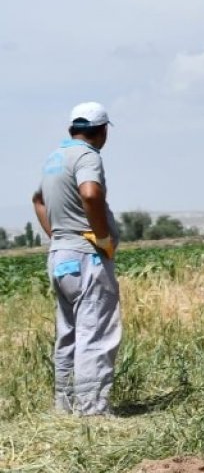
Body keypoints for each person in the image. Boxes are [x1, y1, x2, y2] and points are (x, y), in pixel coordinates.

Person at [32, 102, 121, 416]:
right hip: (87, 258)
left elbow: (39, 200)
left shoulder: (54, 157)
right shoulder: (87, 156)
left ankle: (66, 406)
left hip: (60, 256)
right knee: (94, 332)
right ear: (101, 131)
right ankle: (93, 411)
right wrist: (102, 238)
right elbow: (90, 194)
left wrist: (57, 236)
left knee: (68, 332)